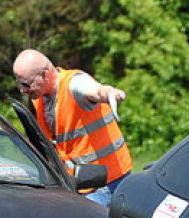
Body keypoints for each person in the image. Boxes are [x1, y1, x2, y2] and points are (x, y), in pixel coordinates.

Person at [12, 48, 133, 206]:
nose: (23, 90)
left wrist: (108, 92)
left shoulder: (74, 84)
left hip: (108, 183)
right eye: (19, 83)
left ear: (44, 74)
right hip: (78, 184)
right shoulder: (39, 100)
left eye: (26, 84)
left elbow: (93, 90)